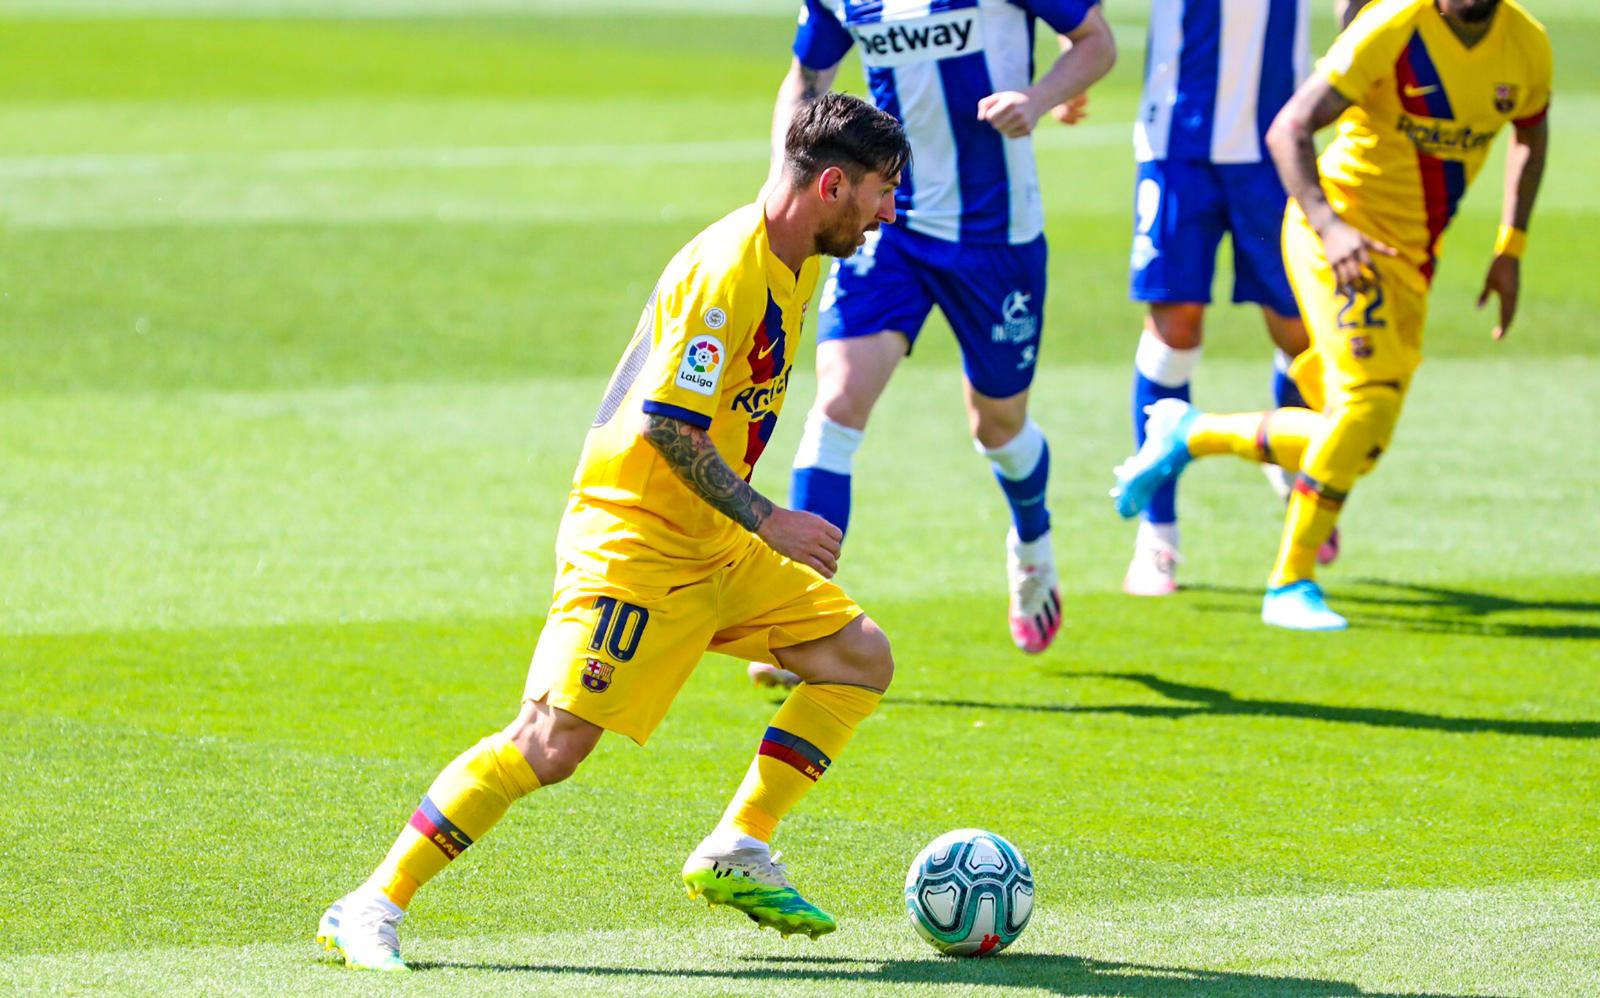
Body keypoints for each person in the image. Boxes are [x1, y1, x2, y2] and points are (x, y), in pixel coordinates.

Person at [317, 93, 910, 971]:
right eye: (881, 191)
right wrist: (769, 518)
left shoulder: (800, 250)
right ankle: (369, 904)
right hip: (635, 539)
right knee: (550, 744)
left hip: (712, 538)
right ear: (831, 185)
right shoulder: (729, 272)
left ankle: (737, 842)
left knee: (859, 657)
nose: (889, 211)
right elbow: (669, 427)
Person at [1113, 0, 1550, 630]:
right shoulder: (1396, 26)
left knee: (1359, 445)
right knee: (1358, 405)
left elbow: (1533, 130)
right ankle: (1285, 579)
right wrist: (1330, 225)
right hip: (1329, 227)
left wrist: (1511, 247)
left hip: (1407, 256)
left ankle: (1193, 434)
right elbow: (1292, 126)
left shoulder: (1526, 46)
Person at [757, 0, 1115, 671]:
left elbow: (1096, 41)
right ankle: (801, 620)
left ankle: (1032, 538)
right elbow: (807, 79)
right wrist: (786, 177)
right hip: (887, 224)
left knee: (999, 427)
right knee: (836, 404)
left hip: (996, 235)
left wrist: (1037, 101)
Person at [1119, 0, 1330, 596]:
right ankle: (1158, 532)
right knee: (1174, 328)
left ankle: (1294, 454)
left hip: (1275, 144)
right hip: (1174, 141)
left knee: (1297, 328)